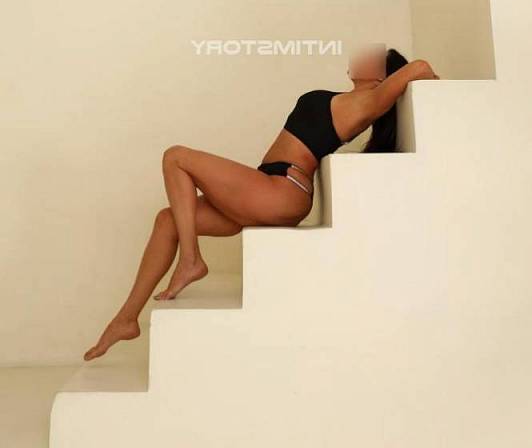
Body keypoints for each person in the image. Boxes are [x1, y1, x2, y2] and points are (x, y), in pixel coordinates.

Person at [83, 45, 438, 360]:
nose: (360, 52)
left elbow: (419, 67)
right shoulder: (348, 99)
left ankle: (190, 260)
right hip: (265, 186)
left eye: (372, 55)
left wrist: (434, 87)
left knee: (175, 157)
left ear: (381, 75)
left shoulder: (367, 102)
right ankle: (126, 319)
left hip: (283, 189)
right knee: (168, 220)